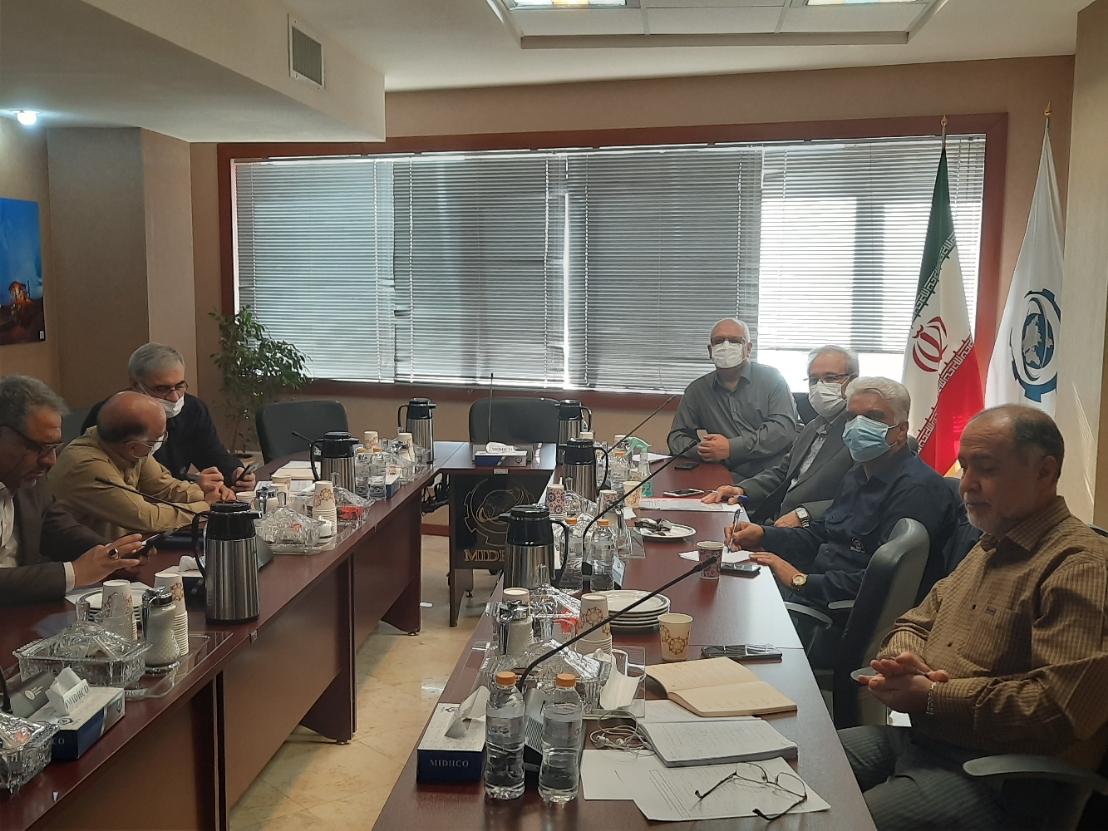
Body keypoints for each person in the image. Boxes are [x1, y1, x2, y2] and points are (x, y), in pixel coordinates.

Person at [841, 406, 1108, 831]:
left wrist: (933, 696)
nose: (966, 485)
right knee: (792, 764)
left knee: (832, 821)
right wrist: (905, 662)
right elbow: (913, 622)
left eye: (986, 469)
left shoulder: (1079, 567)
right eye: (965, 468)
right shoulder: (990, 544)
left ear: (1044, 472)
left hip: (997, 776)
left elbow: (1060, 709)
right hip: (925, 740)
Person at [725, 377, 959, 613]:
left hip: (841, 614)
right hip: (815, 592)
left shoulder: (918, 490)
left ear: (901, 430)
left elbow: (887, 581)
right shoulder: (858, 475)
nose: (858, 425)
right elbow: (821, 535)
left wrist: (800, 580)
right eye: (851, 417)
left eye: (873, 417)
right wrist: (764, 535)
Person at [0, 375, 147, 606]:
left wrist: (110, 555)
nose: (51, 460)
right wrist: (74, 573)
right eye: (40, 447)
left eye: (54, 447)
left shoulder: (26, 475)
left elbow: (54, 526)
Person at [704, 345, 859, 527]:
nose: (819, 387)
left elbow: (863, 497)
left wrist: (805, 514)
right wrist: (741, 489)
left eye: (830, 378)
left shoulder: (859, 434)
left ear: (852, 381)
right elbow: (782, 472)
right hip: (775, 519)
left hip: (814, 529)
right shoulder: (813, 427)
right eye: (813, 380)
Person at [51, 391, 235, 540]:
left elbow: (165, 488)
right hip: (84, 565)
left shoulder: (127, 448)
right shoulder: (86, 465)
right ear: (132, 446)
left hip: (122, 554)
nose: (163, 440)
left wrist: (214, 495)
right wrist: (207, 507)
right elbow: (146, 516)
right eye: (160, 437)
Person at [82, 343, 255, 492]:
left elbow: (213, 456)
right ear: (135, 385)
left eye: (180, 386)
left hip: (177, 495)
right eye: (162, 389)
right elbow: (120, 488)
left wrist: (235, 473)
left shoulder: (192, 409)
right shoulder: (110, 416)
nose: (174, 397)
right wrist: (193, 490)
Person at [667, 318, 799, 480]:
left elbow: (783, 430)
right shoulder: (697, 390)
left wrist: (731, 447)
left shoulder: (772, 379)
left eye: (735, 341)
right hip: (727, 474)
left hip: (775, 474)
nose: (726, 346)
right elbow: (676, 437)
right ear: (710, 350)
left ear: (748, 349)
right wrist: (705, 450)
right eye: (718, 341)